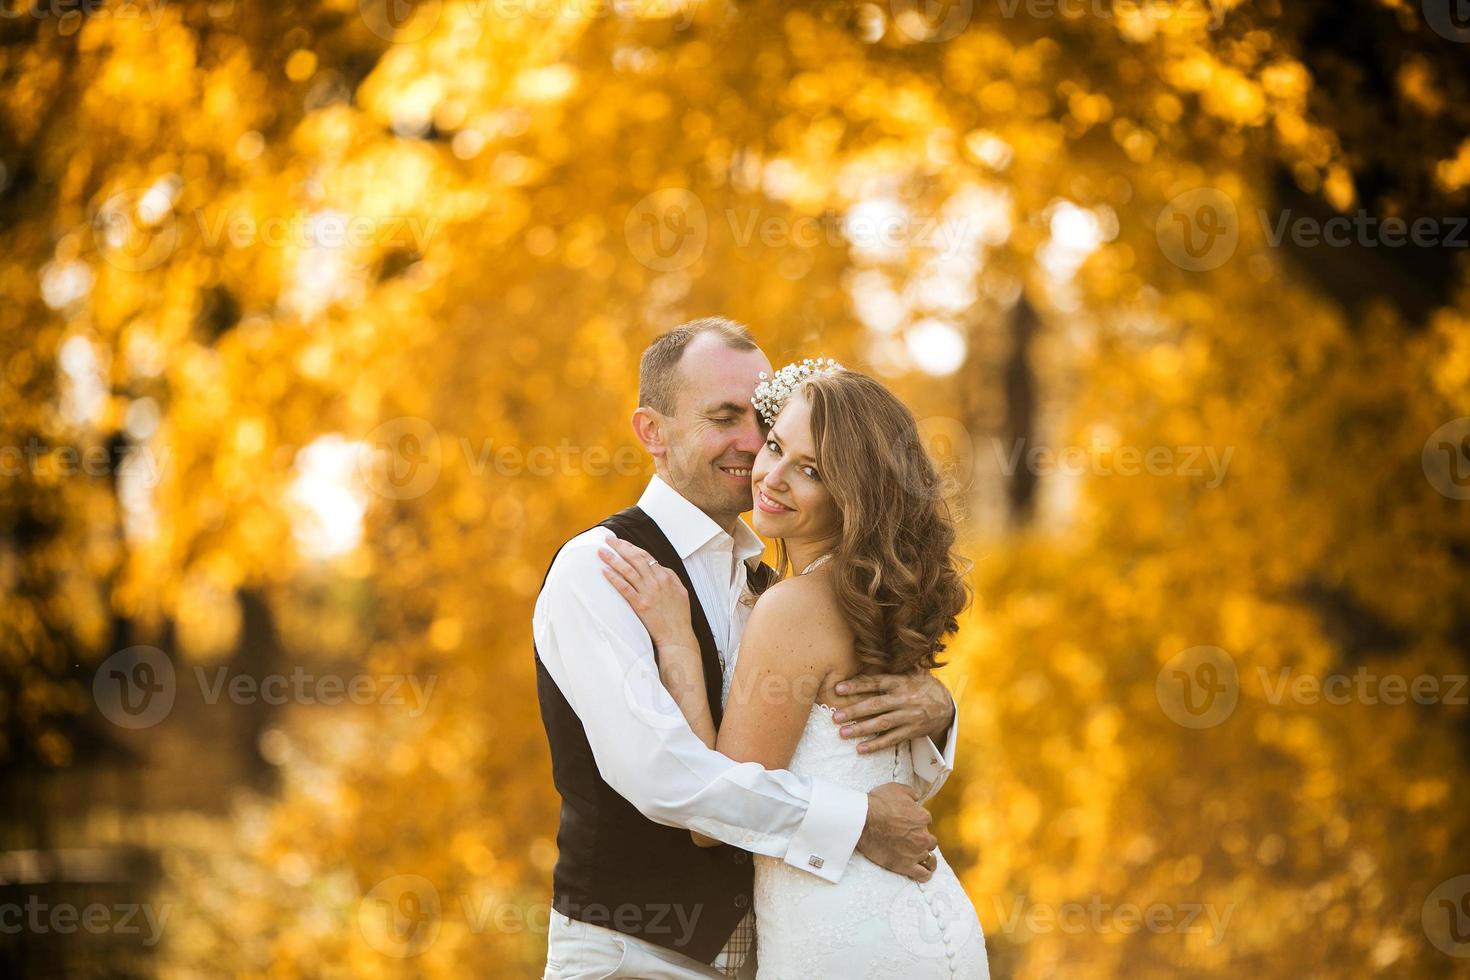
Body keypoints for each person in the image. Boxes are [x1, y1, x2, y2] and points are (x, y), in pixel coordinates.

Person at [533, 318, 962, 978]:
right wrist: (853, 822)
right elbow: (663, 777)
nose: (751, 442)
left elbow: (836, 735)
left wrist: (939, 710)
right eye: (724, 417)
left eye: (761, 417)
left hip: (783, 948)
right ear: (653, 431)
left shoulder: (778, 581)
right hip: (639, 954)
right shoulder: (602, 567)